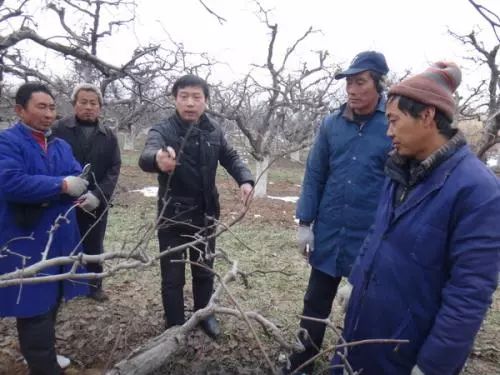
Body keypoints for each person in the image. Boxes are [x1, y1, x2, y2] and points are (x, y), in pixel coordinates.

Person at [332, 62, 500, 375]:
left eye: (394, 120)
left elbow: (469, 295)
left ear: (426, 116)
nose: (388, 131)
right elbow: (377, 232)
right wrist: (355, 281)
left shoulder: (478, 191)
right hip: (361, 330)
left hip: (405, 348)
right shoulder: (400, 167)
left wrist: (434, 366)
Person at [285, 51, 392, 374]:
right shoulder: (332, 123)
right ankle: (302, 362)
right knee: (315, 302)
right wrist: (305, 222)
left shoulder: (392, 124)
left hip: (369, 235)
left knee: (361, 308)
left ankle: (346, 366)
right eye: (349, 83)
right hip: (331, 230)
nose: (352, 90)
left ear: (378, 84)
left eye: (360, 82)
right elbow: (315, 173)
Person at [138, 74, 254, 338]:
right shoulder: (163, 129)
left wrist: (245, 180)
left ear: (205, 101)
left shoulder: (213, 130)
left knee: (204, 270)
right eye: (184, 97)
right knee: (173, 278)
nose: (190, 103)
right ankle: (174, 326)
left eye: (196, 97)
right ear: (175, 99)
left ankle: (205, 314)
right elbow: (147, 155)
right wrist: (158, 160)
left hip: (206, 214)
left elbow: (231, 157)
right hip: (173, 217)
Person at [0, 82, 90, 374]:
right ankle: (43, 366)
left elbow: (77, 172)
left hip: (61, 234)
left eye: (52, 107)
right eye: (41, 107)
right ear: (20, 110)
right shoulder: (7, 142)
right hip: (27, 236)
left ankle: (40, 355)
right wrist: (60, 185)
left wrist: (84, 191)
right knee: (33, 303)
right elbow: (11, 182)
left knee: (52, 297)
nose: (49, 114)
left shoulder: (59, 144)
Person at [53, 83, 121, 302]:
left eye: (93, 103)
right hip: (63, 199)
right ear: (75, 104)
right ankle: (62, 285)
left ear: (100, 107)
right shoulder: (58, 130)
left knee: (94, 243)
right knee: (63, 242)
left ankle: (94, 286)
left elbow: (114, 168)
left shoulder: (108, 135)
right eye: (83, 102)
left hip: (95, 202)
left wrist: (98, 196)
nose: (88, 107)